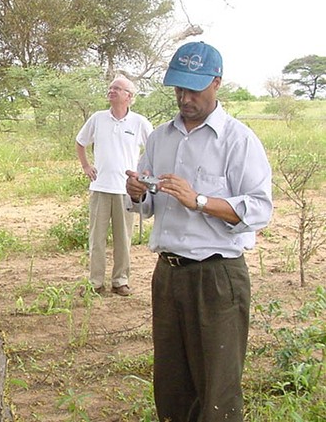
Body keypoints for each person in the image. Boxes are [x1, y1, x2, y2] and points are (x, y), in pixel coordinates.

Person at [125, 42, 273, 421]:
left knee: (217, 388)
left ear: (217, 83)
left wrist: (201, 201)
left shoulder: (238, 140)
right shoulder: (160, 138)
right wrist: (138, 193)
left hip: (217, 277)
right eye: (178, 88)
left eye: (193, 88)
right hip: (168, 275)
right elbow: (148, 203)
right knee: (172, 384)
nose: (184, 97)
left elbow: (259, 208)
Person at [76, 76, 153, 296]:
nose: (112, 91)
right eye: (110, 88)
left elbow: (154, 148)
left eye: (117, 89)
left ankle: (120, 281)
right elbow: (80, 142)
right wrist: (86, 166)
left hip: (125, 190)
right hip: (100, 188)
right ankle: (95, 283)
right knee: (96, 238)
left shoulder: (139, 122)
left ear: (129, 96)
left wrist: (143, 175)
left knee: (123, 239)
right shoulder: (98, 118)